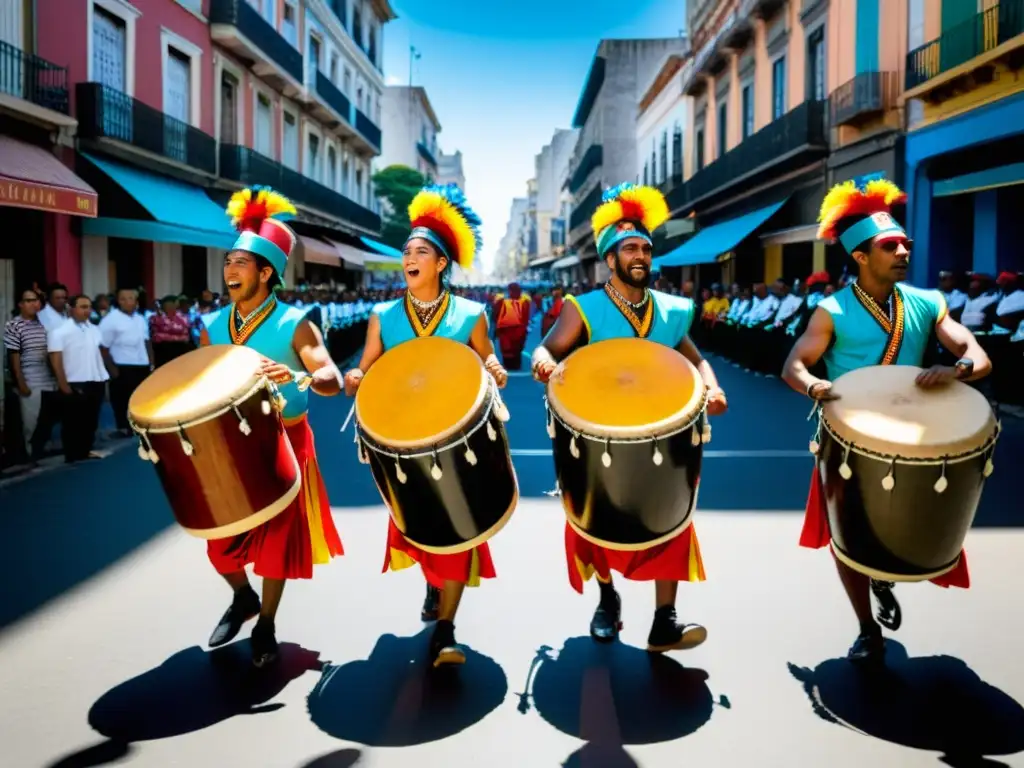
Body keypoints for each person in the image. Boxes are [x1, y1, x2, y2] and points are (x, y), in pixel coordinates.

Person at [782, 178, 991, 664]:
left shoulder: (928, 303)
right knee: (846, 536)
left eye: (905, 244)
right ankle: (865, 628)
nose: (903, 251)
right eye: (889, 245)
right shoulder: (830, 311)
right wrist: (813, 385)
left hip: (913, 436)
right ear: (859, 256)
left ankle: (884, 574)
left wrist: (959, 368)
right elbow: (793, 366)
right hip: (848, 440)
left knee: (903, 529)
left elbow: (975, 353)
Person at [531, 183, 728, 652]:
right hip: (599, 431)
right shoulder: (584, 309)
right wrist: (542, 361)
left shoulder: (672, 311)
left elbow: (695, 359)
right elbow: (549, 347)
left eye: (645, 247)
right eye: (629, 248)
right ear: (610, 259)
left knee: (673, 519)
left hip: (666, 430)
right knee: (597, 520)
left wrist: (712, 385)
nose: (640, 255)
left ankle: (665, 619)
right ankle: (607, 599)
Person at [344, 183, 509, 668]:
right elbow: (367, 366)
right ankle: (432, 587)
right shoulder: (382, 316)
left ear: (440, 264)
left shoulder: (472, 314)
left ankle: (445, 630)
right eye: (406, 252)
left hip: (460, 440)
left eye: (420, 252)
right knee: (422, 526)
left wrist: (496, 369)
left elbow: (488, 360)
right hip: (403, 441)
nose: (410, 258)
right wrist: (355, 376)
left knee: (458, 530)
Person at [200, 186, 344, 667]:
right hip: (230, 446)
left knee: (278, 543)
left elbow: (331, 378)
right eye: (227, 263)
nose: (230, 271)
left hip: (286, 439)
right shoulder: (211, 324)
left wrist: (301, 375)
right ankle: (243, 598)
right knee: (219, 544)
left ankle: (266, 624)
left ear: (266, 272)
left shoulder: (297, 323)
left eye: (241, 263)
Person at [494, 282, 531, 369]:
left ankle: (508, 364)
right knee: (516, 348)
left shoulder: (501, 301)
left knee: (507, 348)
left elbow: (496, 314)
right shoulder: (525, 302)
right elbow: (526, 318)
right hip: (519, 330)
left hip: (505, 331)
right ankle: (516, 364)